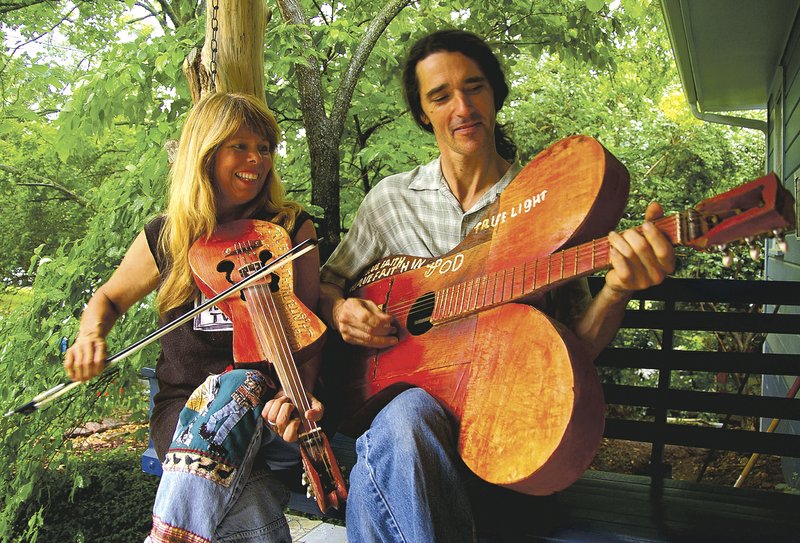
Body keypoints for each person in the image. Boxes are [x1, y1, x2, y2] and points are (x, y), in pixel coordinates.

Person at [319, 29, 676, 542]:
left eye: (475, 87)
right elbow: (326, 285)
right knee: (405, 418)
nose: (462, 106)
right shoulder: (390, 202)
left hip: (506, 435)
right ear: (423, 114)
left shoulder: (542, 206)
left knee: (392, 443)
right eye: (440, 96)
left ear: (494, 94)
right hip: (401, 425)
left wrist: (616, 290)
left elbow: (575, 346)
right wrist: (339, 311)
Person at [63, 92, 324, 543]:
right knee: (251, 499)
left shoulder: (286, 227)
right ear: (205, 153)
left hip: (267, 407)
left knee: (239, 384)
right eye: (239, 146)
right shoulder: (168, 235)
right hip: (182, 412)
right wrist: (90, 334)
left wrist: (297, 396)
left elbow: (309, 331)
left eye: (264, 148)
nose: (256, 159)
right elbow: (108, 298)